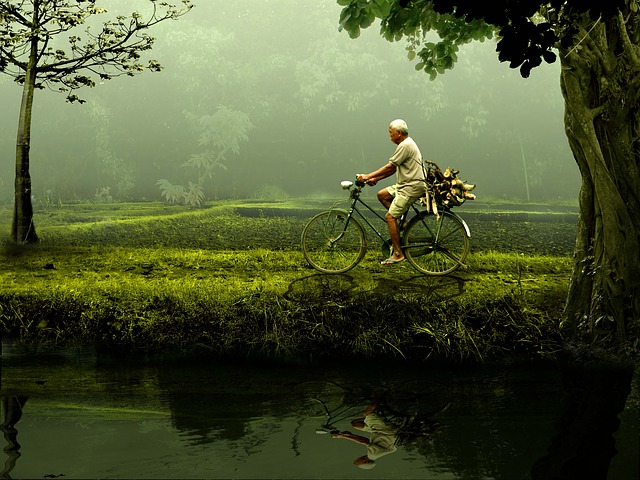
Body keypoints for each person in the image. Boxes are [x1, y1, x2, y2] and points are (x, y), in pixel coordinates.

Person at [357, 119, 426, 265]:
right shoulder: (406, 144)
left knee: (389, 217)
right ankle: (404, 223)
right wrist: (375, 179)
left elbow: (389, 167)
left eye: (390, 133)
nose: (389, 136)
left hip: (410, 187)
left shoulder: (405, 145)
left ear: (399, 133)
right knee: (382, 195)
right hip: (404, 185)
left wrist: (368, 176)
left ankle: (398, 253)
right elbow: (394, 168)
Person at [331, 392, 401, 470]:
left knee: (355, 424)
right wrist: (343, 436)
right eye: (358, 460)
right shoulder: (373, 455)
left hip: (377, 431)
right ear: (364, 461)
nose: (357, 458)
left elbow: (365, 441)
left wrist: (348, 435)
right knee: (368, 413)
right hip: (384, 430)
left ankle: (375, 414)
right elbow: (364, 441)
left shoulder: (374, 454)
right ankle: (378, 393)